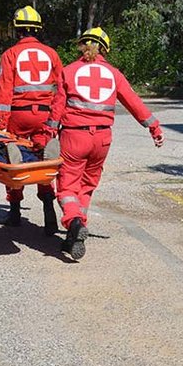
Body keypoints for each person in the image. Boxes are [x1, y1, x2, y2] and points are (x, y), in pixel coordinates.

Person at [46, 27, 164, 259]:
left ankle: (74, 222)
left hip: (74, 136)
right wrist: (154, 127)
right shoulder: (113, 74)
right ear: (104, 50)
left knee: (68, 187)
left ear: (82, 45)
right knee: (87, 186)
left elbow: (57, 106)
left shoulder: (69, 71)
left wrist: (50, 131)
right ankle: (74, 235)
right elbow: (133, 101)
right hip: (102, 139)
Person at [0, 5, 63, 232]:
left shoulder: (10, 55)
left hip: (18, 114)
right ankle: (49, 213)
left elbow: (4, 91)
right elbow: (61, 88)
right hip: (44, 114)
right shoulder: (52, 54)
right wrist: (55, 118)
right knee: (45, 161)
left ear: (18, 30)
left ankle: (14, 213)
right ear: (37, 29)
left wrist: (2, 123)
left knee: (14, 162)